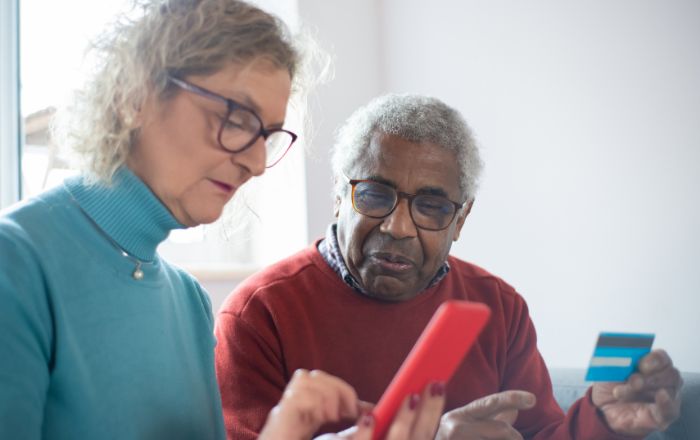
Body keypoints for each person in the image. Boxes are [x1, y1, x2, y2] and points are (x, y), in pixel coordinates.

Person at [0, 1, 446, 439]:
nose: (255, 163)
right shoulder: (16, 262)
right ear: (133, 95)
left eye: (268, 136)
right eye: (236, 118)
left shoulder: (187, 301)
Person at [214, 93, 683, 439]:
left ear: (461, 220)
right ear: (339, 195)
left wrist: (602, 422)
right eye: (375, 195)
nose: (398, 227)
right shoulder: (260, 313)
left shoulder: (498, 307)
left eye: (432, 207)